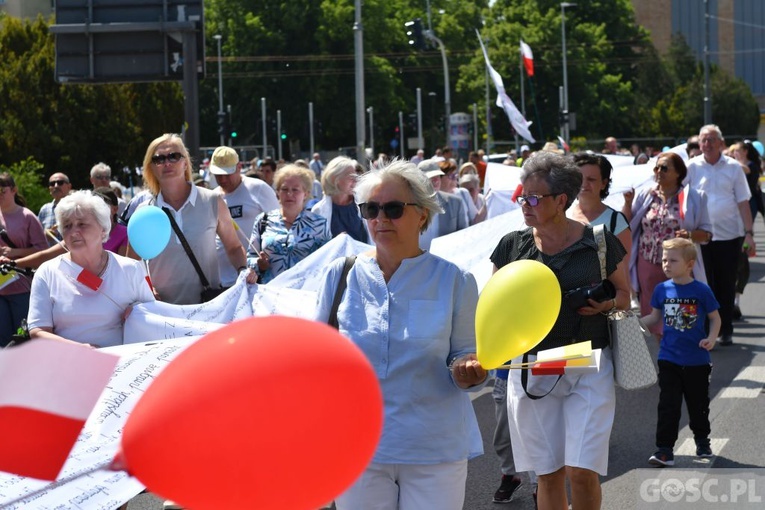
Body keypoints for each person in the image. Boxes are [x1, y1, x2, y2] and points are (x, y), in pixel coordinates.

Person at [314, 159, 487, 510]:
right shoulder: (340, 274)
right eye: (370, 209)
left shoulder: (455, 280)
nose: (380, 219)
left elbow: (468, 357)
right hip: (356, 447)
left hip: (433, 447)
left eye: (393, 209)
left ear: (422, 214)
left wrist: (469, 369)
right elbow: (319, 355)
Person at [490, 152, 629, 510]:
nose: (525, 204)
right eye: (523, 196)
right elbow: (494, 307)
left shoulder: (599, 242)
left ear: (561, 200)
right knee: (548, 473)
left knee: (582, 470)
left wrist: (606, 304)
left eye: (534, 198)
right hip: (533, 365)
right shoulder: (512, 245)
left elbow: (626, 296)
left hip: (586, 359)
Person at [129, 133, 252, 305]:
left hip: (208, 308)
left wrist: (243, 270)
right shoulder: (143, 212)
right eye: (159, 159)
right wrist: (145, 287)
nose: (167, 163)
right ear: (151, 168)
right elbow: (132, 264)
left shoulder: (213, 201)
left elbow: (233, 247)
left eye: (174, 156)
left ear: (185, 162)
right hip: (161, 312)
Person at [27, 190, 155, 347]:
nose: (74, 232)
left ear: (103, 229)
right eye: (67, 226)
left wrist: (138, 313)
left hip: (124, 364)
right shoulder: (47, 273)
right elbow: (38, 331)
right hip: (69, 365)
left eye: (82, 224)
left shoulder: (130, 269)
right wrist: (80, 350)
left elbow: (154, 316)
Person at [640, 238, 720, 467]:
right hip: (669, 358)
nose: (666, 264)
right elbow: (655, 317)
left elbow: (715, 318)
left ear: (689, 264)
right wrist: (632, 325)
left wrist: (711, 338)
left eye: (672, 260)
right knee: (668, 405)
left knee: (698, 405)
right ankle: (664, 450)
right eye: (664, 259)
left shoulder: (701, 290)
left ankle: (702, 440)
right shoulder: (662, 289)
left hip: (697, 360)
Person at [622, 152, 712, 337]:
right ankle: (666, 357)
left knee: (679, 320)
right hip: (647, 266)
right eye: (656, 167)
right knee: (654, 318)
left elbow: (707, 234)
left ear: (678, 173)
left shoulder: (693, 197)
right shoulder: (646, 196)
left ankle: (680, 358)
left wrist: (689, 234)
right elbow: (627, 225)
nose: (658, 171)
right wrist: (627, 203)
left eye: (664, 168)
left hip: (678, 267)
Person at [686, 125, 754, 345]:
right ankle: (705, 330)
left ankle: (726, 328)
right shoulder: (692, 167)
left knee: (725, 284)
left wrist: (749, 233)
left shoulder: (734, 168)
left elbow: (744, 202)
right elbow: (680, 195)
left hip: (729, 237)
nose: (706, 144)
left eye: (711, 140)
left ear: (721, 143)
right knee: (704, 284)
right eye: (703, 140)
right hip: (699, 237)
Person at [209, 146, 279, 287]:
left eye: (227, 174)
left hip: (255, 276)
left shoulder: (259, 189)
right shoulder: (212, 197)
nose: (222, 179)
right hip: (223, 280)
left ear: (239, 167)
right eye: (218, 174)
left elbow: (278, 226)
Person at [248, 164, 330, 284]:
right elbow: (250, 257)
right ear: (277, 193)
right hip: (269, 295)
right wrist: (258, 264)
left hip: (306, 295)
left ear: (306, 194)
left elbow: (328, 261)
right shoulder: (263, 220)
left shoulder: (319, 224)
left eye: (295, 190)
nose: (289, 194)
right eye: (284, 189)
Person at [0, 173, 48, 346]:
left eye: (1, 190)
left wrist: (14, 252)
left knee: (23, 341)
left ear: (14, 190)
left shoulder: (27, 217)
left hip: (22, 288)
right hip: (0, 290)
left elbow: (44, 252)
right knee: (3, 344)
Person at [568, 152, 632, 279]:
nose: (584, 184)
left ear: (603, 183)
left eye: (591, 179)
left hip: (600, 296)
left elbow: (623, 271)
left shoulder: (616, 221)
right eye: (580, 178)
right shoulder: (564, 213)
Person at [311, 156, 370, 243]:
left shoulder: (365, 204)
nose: (356, 181)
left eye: (356, 176)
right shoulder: (318, 210)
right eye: (351, 177)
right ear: (335, 179)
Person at [38, 171, 72, 245]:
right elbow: (36, 236)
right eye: (52, 184)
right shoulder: (44, 209)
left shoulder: (76, 207)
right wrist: (45, 235)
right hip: (49, 255)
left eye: (60, 182)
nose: (56, 186)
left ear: (69, 186)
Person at [94, 187, 129, 256]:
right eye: (94, 207)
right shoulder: (86, 231)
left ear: (115, 209)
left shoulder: (125, 234)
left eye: (103, 206)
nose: (98, 210)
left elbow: (122, 265)